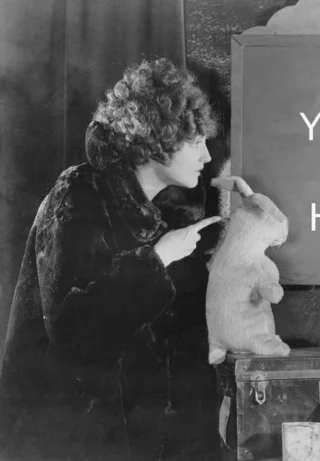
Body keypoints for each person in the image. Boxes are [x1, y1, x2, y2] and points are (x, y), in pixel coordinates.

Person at [0, 58, 225, 460]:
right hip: (69, 441)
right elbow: (73, 335)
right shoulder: (79, 193)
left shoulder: (164, 220)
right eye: (196, 142)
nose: (207, 156)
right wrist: (156, 259)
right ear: (161, 137)